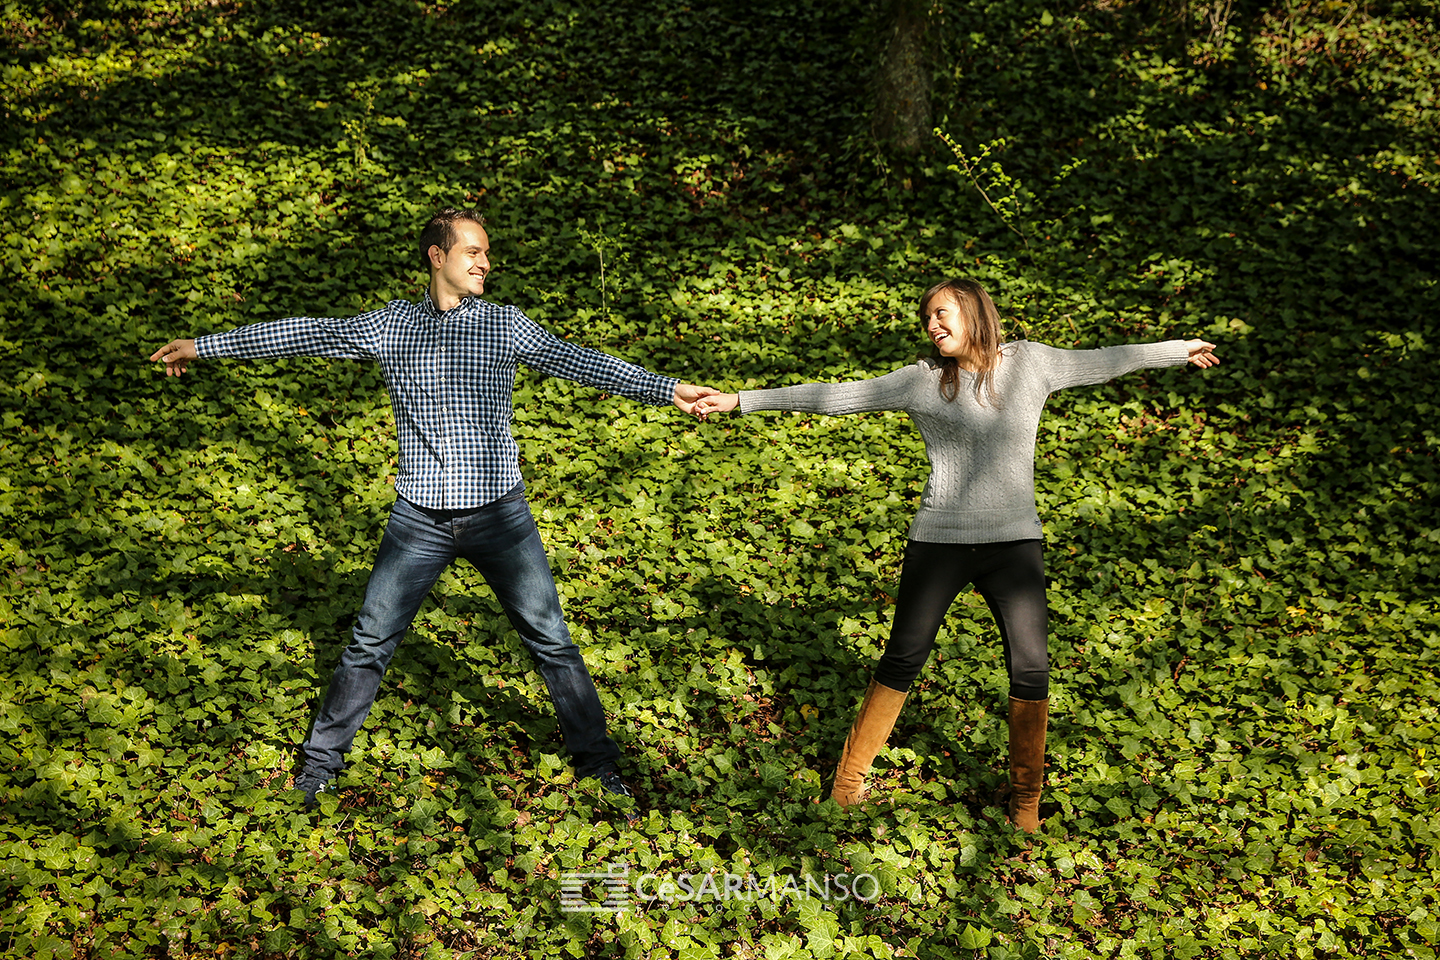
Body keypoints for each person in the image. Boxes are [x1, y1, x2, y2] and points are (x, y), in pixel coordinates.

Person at [150, 207, 717, 810]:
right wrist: (205, 347)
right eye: (472, 251)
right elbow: (308, 333)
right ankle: (318, 769)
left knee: (550, 638)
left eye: (487, 253)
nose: (484, 263)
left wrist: (667, 389)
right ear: (437, 256)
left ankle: (600, 765)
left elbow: (578, 361)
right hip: (420, 518)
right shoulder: (391, 327)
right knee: (370, 641)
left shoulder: (506, 325)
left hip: (501, 515)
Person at [695, 278, 1219, 832]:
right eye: (926, 318)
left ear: (973, 311)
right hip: (939, 541)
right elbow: (835, 395)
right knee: (903, 657)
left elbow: (1106, 360)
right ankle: (847, 782)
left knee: (1031, 665)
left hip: (1013, 544)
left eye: (941, 314)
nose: (931, 326)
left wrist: (1175, 350)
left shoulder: (1032, 365)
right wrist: (738, 400)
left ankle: (1026, 803)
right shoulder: (922, 381)